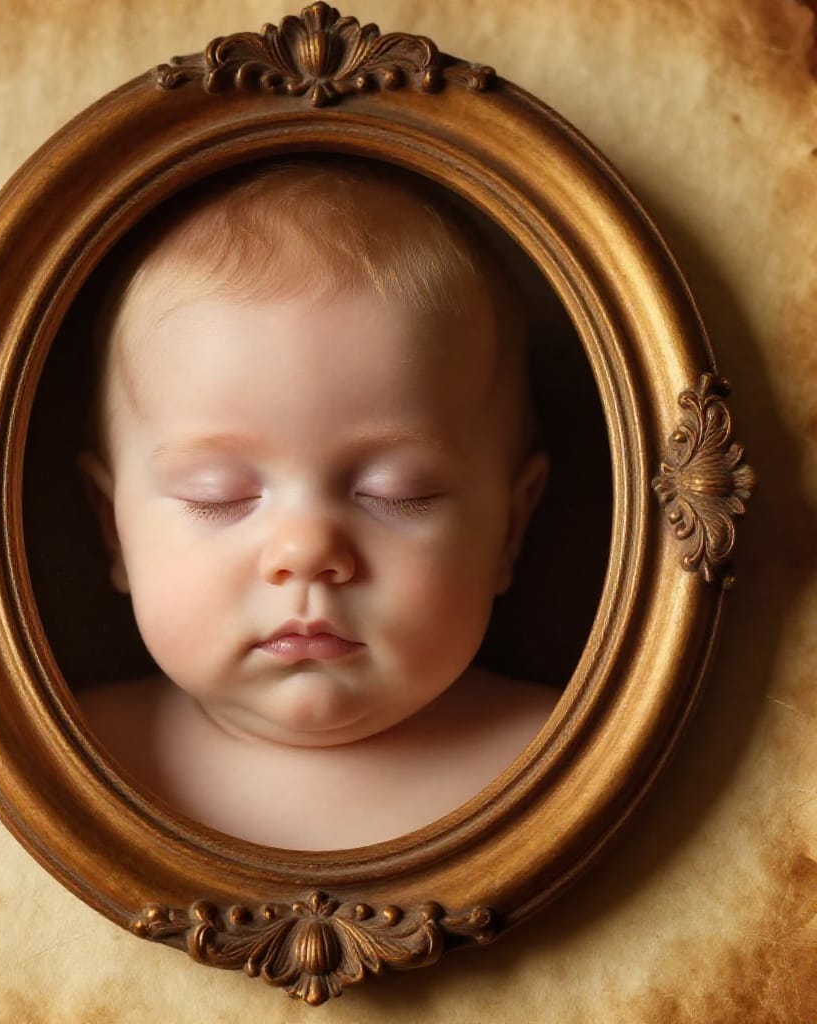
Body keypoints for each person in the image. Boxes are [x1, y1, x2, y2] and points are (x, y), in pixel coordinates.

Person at [77, 157, 555, 850]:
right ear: (112, 528)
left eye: (399, 494)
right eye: (221, 497)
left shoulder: (562, 758)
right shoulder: (78, 757)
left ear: (509, 528)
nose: (306, 552)